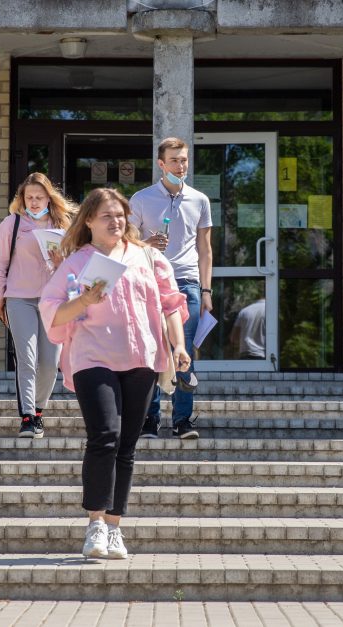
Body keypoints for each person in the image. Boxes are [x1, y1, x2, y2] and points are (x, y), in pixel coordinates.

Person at [39, 187, 190, 560]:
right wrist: (84, 300)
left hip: (141, 358)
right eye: (107, 215)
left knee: (126, 445)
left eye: (120, 215)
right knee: (104, 435)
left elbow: (171, 304)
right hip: (93, 358)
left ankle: (116, 527)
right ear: (88, 220)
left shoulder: (147, 257)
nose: (116, 221)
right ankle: (95, 524)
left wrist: (180, 346)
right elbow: (51, 312)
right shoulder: (75, 262)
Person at [129, 137, 212, 440]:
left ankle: (182, 420)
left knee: (183, 351)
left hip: (187, 282)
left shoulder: (199, 200)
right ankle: (149, 419)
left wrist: (206, 291)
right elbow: (122, 243)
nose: (181, 165)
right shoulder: (141, 199)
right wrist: (146, 244)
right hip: (149, 282)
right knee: (152, 352)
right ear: (161, 164)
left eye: (184, 160)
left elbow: (205, 248)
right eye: (175, 160)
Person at [0, 173, 75, 438]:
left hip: (53, 301)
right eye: (29, 198)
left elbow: (75, 266)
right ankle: (26, 416)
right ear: (22, 199)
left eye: (39, 197)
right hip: (19, 299)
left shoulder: (63, 224)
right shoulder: (12, 223)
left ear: (49, 198)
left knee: (50, 362)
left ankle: (38, 410)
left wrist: (61, 260)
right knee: (27, 358)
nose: (34, 202)